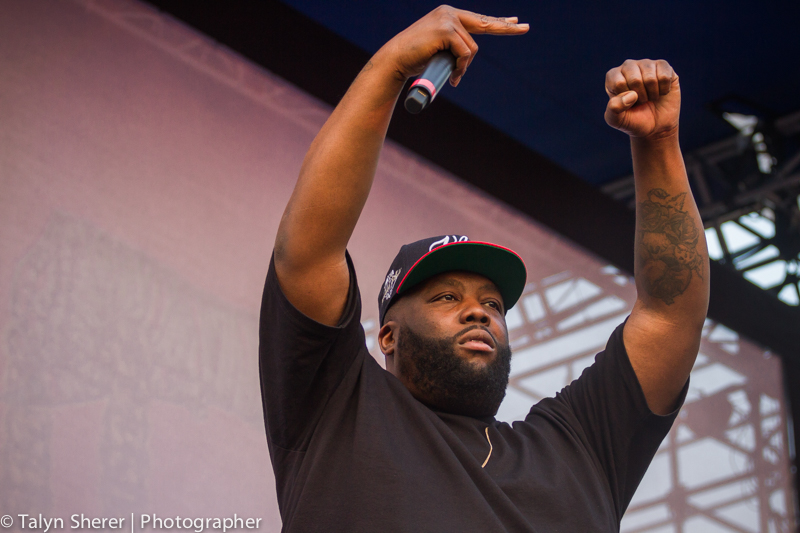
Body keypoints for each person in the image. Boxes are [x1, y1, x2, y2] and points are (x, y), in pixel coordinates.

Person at [259, 6, 709, 532]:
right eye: (446, 297)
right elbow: (310, 251)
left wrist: (658, 142)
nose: (480, 312)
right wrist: (391, 67)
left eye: (493, 304)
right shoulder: (340, 407)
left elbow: (670, 315)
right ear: (387, 335)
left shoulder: (578, 447)